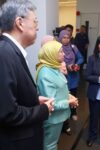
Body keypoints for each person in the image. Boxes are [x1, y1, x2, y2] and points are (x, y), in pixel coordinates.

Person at [0, 1, 54, 150]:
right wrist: (43, 110)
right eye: (35, 21)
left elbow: (9, 97)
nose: (37, 26)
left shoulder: (11, 51)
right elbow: (7, 113)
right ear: (20, 23)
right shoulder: (4, 53)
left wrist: (34, 100)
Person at [36, 41, 78, 150]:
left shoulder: (54, 67)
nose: (63, 54)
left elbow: (60, 89)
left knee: (53, 143)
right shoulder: (45, 73)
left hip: (58, 117)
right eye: (60, 52)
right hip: (53, 119)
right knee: (50, 145)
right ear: (51, 54)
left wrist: (69, 96)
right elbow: (50, 103)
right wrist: (69, 102)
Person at [59, 30, 84, 134]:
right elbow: (55, 61)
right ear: (60, 38)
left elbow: (81, 58)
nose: (66, 39)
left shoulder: (73, 47)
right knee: (63, 98)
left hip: (73, 77)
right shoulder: (58, 48)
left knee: (73, 95)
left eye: (68, 37)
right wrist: (65, 66)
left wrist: (77, 64)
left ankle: (73, 112)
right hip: (62, 77)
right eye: (64, 37)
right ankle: (64, 122)